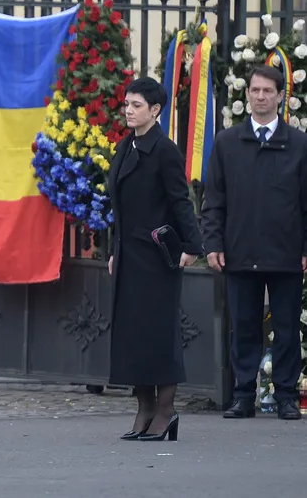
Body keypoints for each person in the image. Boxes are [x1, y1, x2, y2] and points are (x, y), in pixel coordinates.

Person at [202, 64, 307, 421]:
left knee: (287, 329)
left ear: (280, 96)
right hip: (240, 249)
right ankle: (243, 395)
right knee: (244, 327)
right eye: (255, 90)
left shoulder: (299, 144)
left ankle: (286, 396)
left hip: (286, 253)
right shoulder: (227, 142)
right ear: (246, 94)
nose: (260, 97)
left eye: (267, 91)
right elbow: (214, 200)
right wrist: (213, 243)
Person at [106, 76, 202, 442]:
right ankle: (144, 408)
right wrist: (114, 250)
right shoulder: (126, 145)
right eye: (127, 104)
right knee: (133, 336)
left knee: (158, 334)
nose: (128, 111)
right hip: (129, 255)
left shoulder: (165, 150)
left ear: (155, 110)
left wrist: (192, 245)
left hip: (158, 258)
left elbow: (180, 201)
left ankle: (165, 410)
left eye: (136, 105)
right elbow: (120, 207)